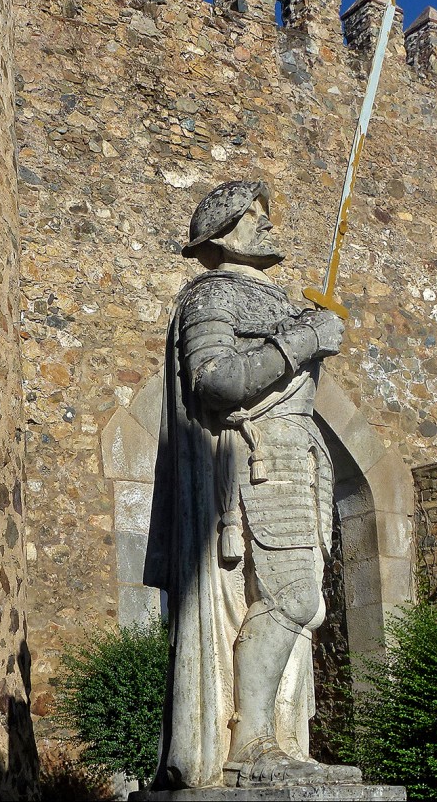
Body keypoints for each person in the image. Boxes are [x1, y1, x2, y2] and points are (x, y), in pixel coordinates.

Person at [144, 180, 361, 789]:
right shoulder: (211, 299)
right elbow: (214, 382)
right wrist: (302, 341)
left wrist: (309, 331)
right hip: (257, 460)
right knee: (292, 598)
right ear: (225, 234)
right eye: (254, 217)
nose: (267, 225)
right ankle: (251, 742)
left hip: (296, 456)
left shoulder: (271, 298)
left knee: (305, 602)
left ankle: (272, 735)